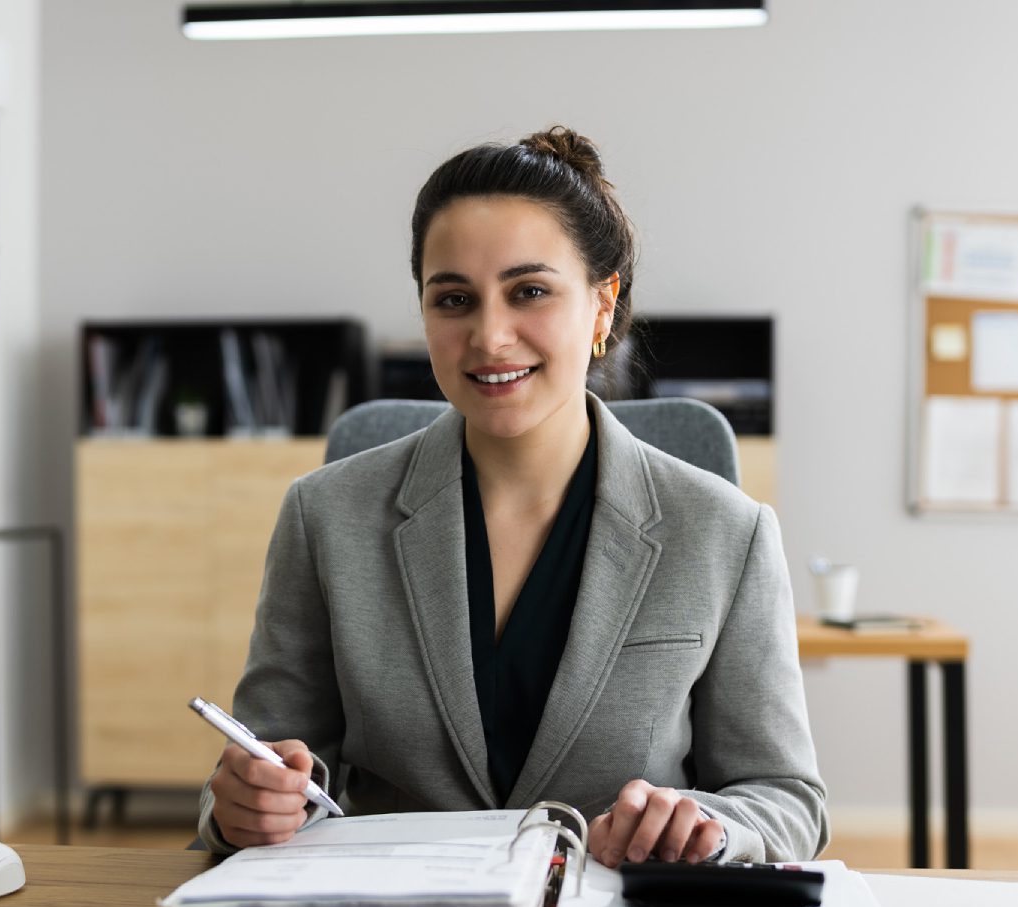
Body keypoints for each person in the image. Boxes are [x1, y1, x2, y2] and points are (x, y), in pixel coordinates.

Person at [197, 127, 827, 867]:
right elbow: (260, 760)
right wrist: (241, 804)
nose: (490, 336)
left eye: (529, 291)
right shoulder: (326, 516)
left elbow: (784, 798)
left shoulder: (726, 532)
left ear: (601, 305)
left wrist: (712, 830)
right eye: (454, 299)